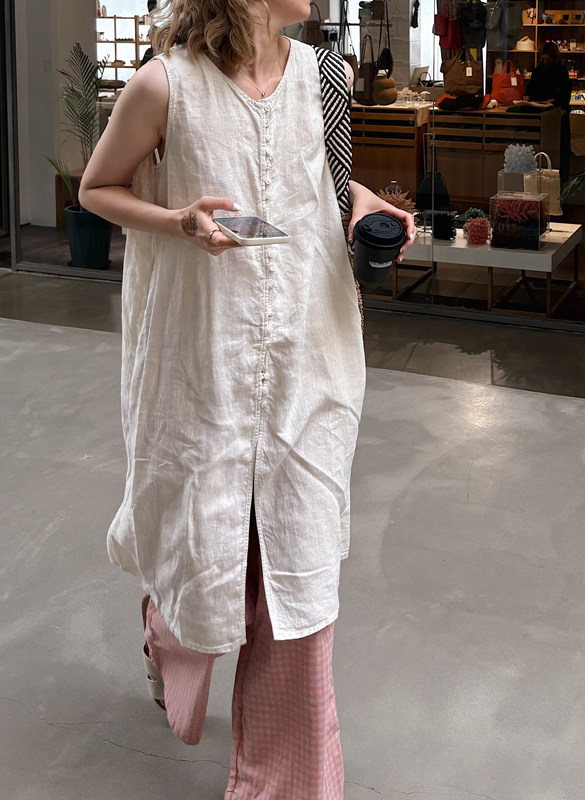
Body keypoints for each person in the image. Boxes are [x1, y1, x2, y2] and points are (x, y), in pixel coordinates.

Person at [78, 1, 416, 797]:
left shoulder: (325, 76)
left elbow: (313, 183)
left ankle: (287, 782)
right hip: (205, 363)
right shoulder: (165, 85)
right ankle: (167, 627)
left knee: (298, 569)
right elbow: (98, 187)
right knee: (204, 545)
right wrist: (177, 220)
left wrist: (363, 203)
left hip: (308, 360)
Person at [524, 41, 571, 181]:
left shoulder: (561, 71)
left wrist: (551, 101)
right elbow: (530, 90)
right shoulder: (538, 71)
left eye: (548, 59)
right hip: (539, 113)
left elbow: (565, 95)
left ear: (554, 58)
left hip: (556, 114)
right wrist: (527, 98)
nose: (544, 62)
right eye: (542, 59)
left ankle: (559, 180)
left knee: (559, 149)